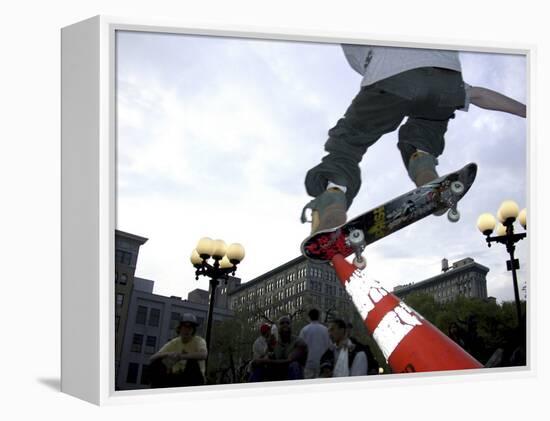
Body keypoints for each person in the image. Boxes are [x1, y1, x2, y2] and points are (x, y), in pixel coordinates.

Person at [301, 44, 526, 235]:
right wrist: (528, 110)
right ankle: (423, 163)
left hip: (389, 76)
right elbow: (480, 95)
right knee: (428, 125)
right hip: (446, 78)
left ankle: (334, 195)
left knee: (348, 143)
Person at [149, 313, 207, 387]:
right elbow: (152, 358)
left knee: (192, 361)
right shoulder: (174, 342)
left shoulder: (199, 341)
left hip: (194, 378)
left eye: (190, 328)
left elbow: (203, 355)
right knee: (156, 363)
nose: (187, 330)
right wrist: (168, 354)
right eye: (185, 327)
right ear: (179, 329)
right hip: (177, 377)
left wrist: (182, 356)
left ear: (193, 330)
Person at [249, 315, 308, 382]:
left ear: (291, 326)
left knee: (294, 365)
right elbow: (266, 357)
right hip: (276, 374)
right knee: (258, 369)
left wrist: (264, 361)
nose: (285, 325)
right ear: (278, 327)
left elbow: (289, 361)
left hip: (291, 373)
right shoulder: (273, 342)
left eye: (287, 323)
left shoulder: (299, 341)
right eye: (282, 323)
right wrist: (270, 349)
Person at [298, 308, 331, 379]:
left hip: (308, 362)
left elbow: (299, 347)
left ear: (309, 317)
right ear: (319, 316)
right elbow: (330, 346)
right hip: (322, 363)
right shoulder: (325, 330)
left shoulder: (304, 330)